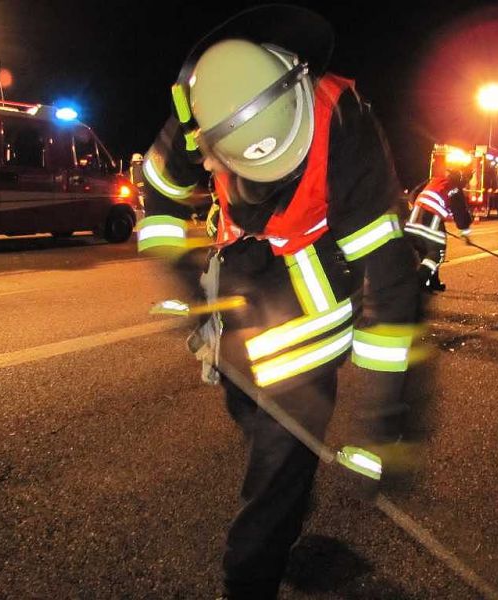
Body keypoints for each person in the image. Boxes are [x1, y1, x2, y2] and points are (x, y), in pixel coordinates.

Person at [135, 6, 421, 599]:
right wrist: (183, 280)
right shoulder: (201, 112)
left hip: (314, 288)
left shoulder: (347, 124)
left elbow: (389, 284)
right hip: (241, 275)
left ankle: (250, 577)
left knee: (281, 450)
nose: (211, 168)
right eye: (215, 159)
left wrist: (383, 424)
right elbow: (160, 196)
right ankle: (287, 488)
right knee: (251, 413)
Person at [405, 165, 474, 292]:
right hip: (431, 221)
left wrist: (418, 207)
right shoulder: (455, 189)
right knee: (437, 252)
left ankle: (432, 282)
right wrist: (465, 234)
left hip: (413, 219)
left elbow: (413, 193)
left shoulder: (434, 180)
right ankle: (418, 281)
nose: (466, 183)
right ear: (462, 177)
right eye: (467, 180)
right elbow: (461, 214)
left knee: (426, 250)